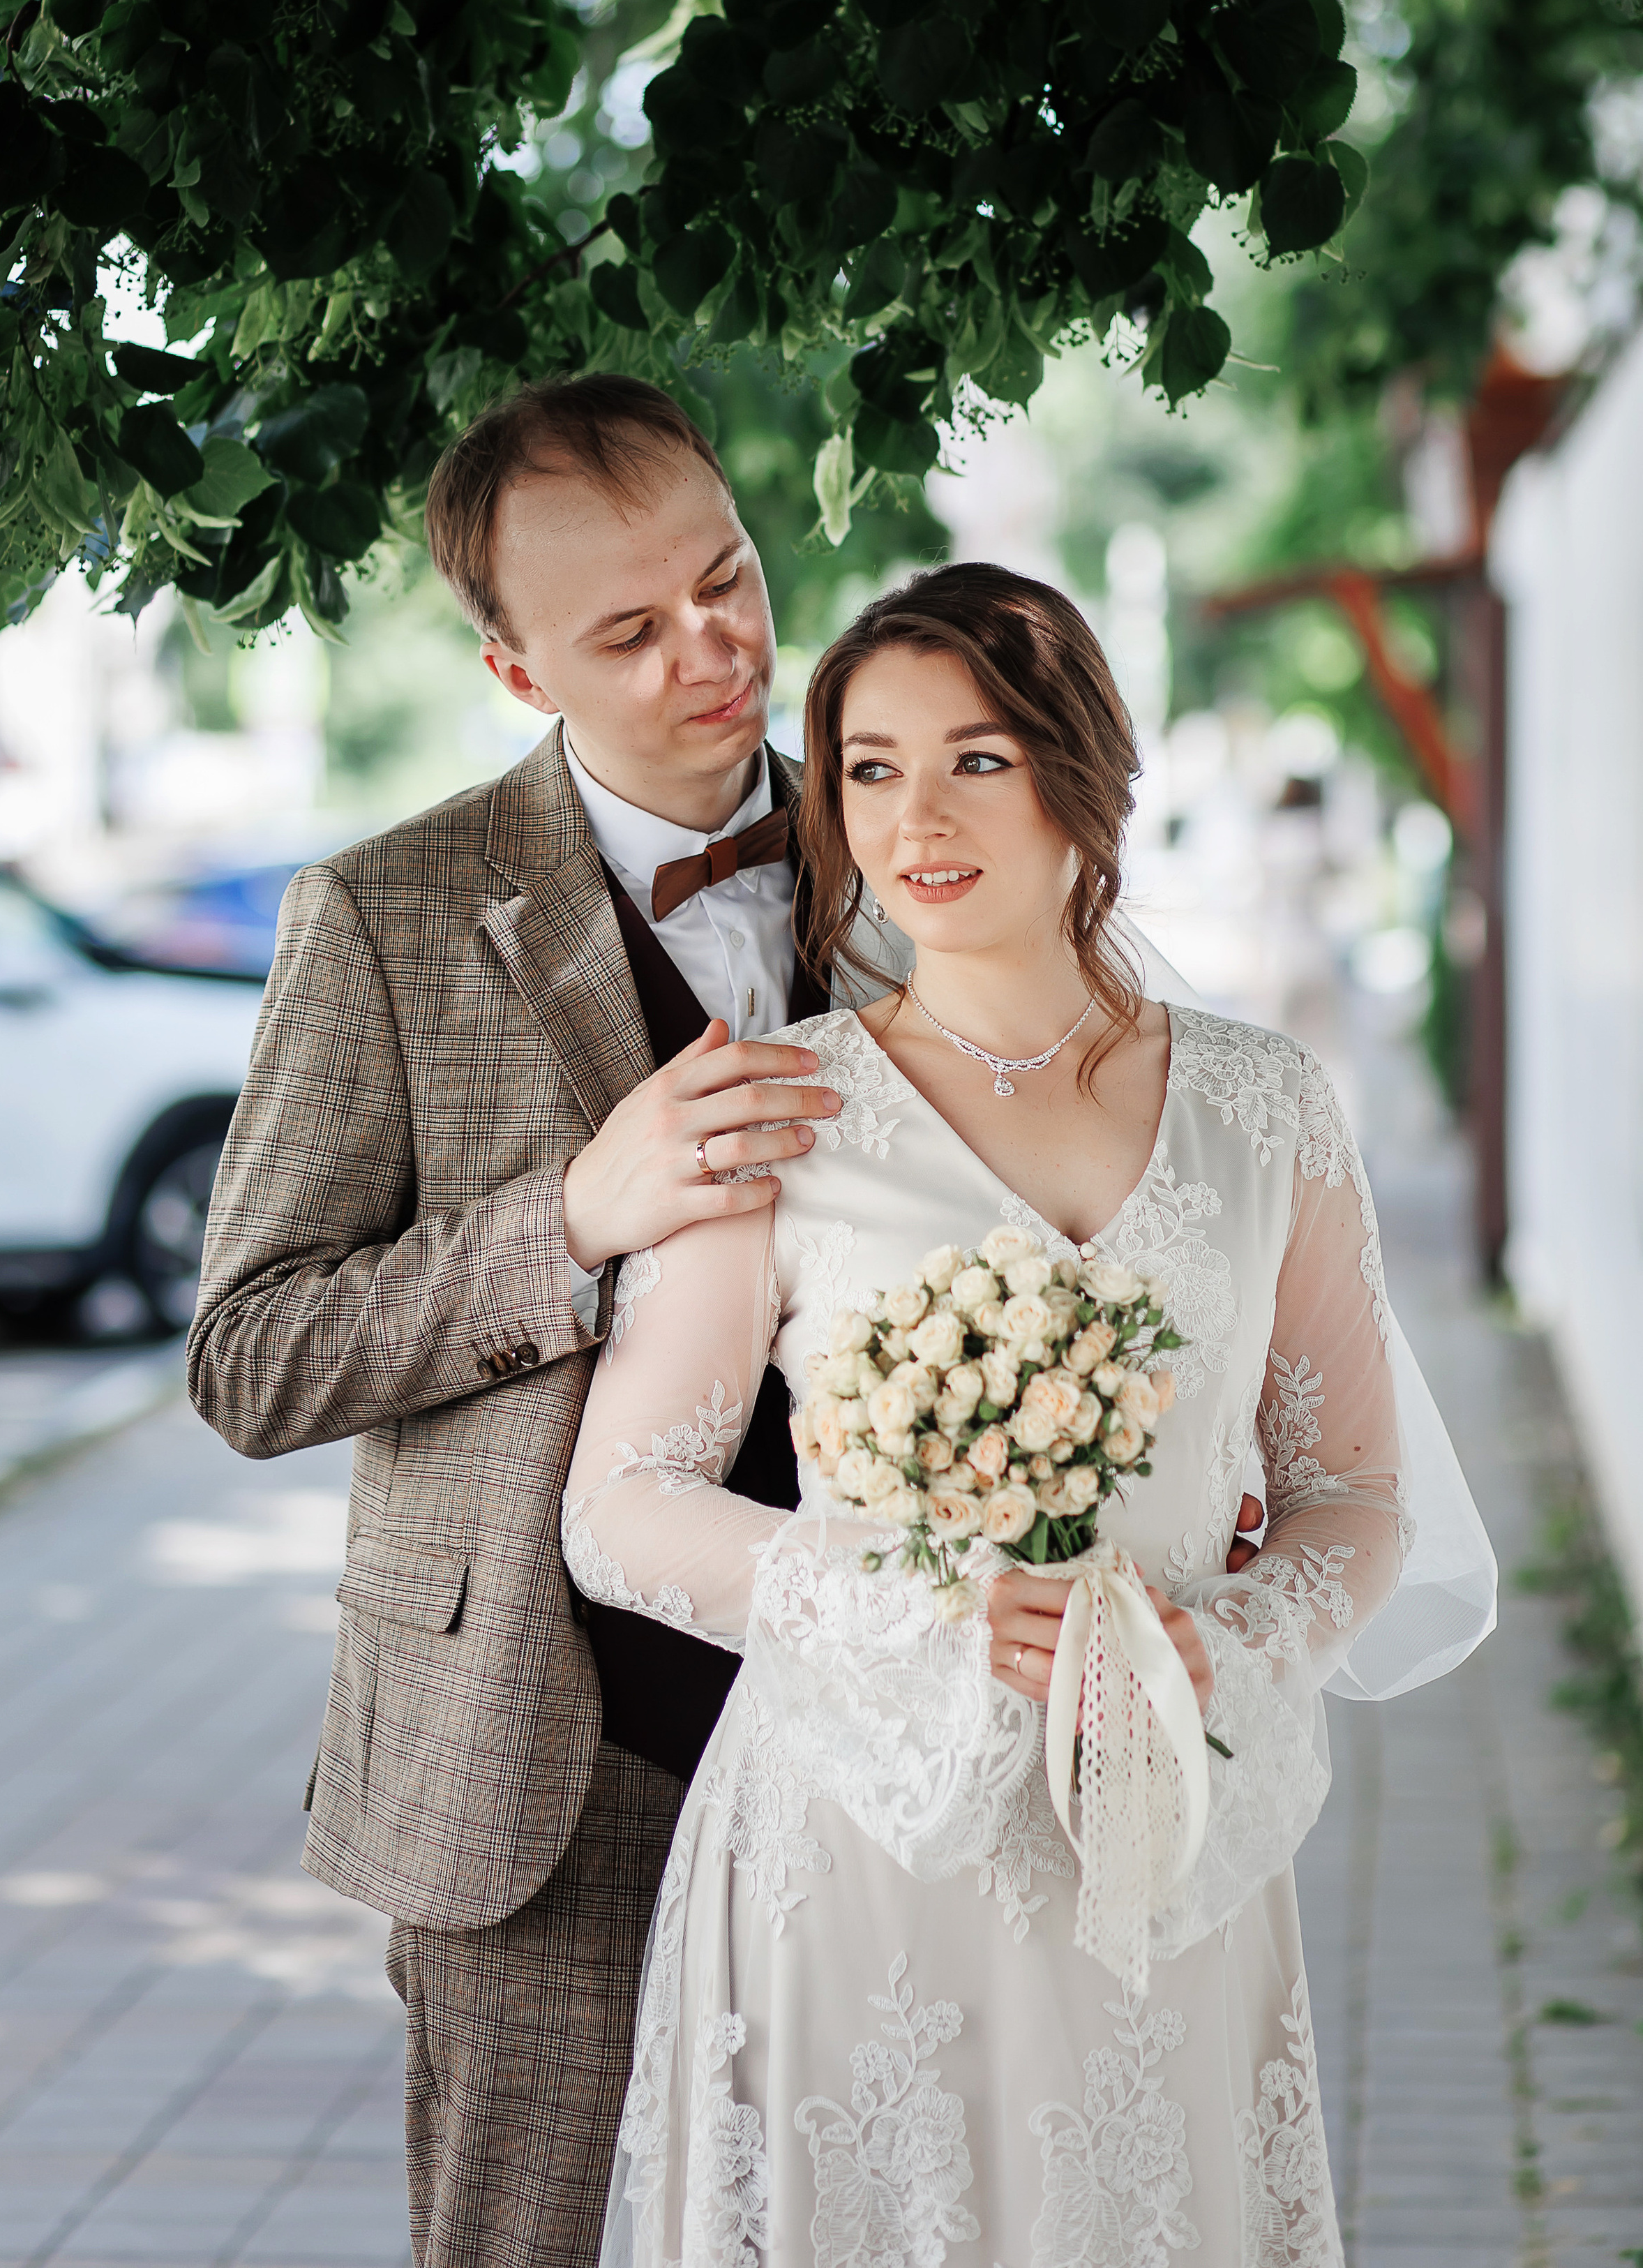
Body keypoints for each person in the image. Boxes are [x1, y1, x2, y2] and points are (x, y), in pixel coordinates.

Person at [188, 384, 1269, 2268]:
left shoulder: (914, 841)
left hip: (912, 1743)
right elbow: (251, 1356)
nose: (713, 651)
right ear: (519, 670)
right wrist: (573, 1220)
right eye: (628, 633)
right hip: (549, 1757)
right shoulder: (381, 913)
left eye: (727, 580)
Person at [562, 560, 1496, 2265]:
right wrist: (918, 1613)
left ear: (1083, 776)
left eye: (975, 759)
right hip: (851, 1843)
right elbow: (620, 1499)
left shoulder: (1262, 1104)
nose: (915, 814)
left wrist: (1237, 1640)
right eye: (866, 767)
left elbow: (1353, 1491)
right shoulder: (772, 1105)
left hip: (1161, 1846)